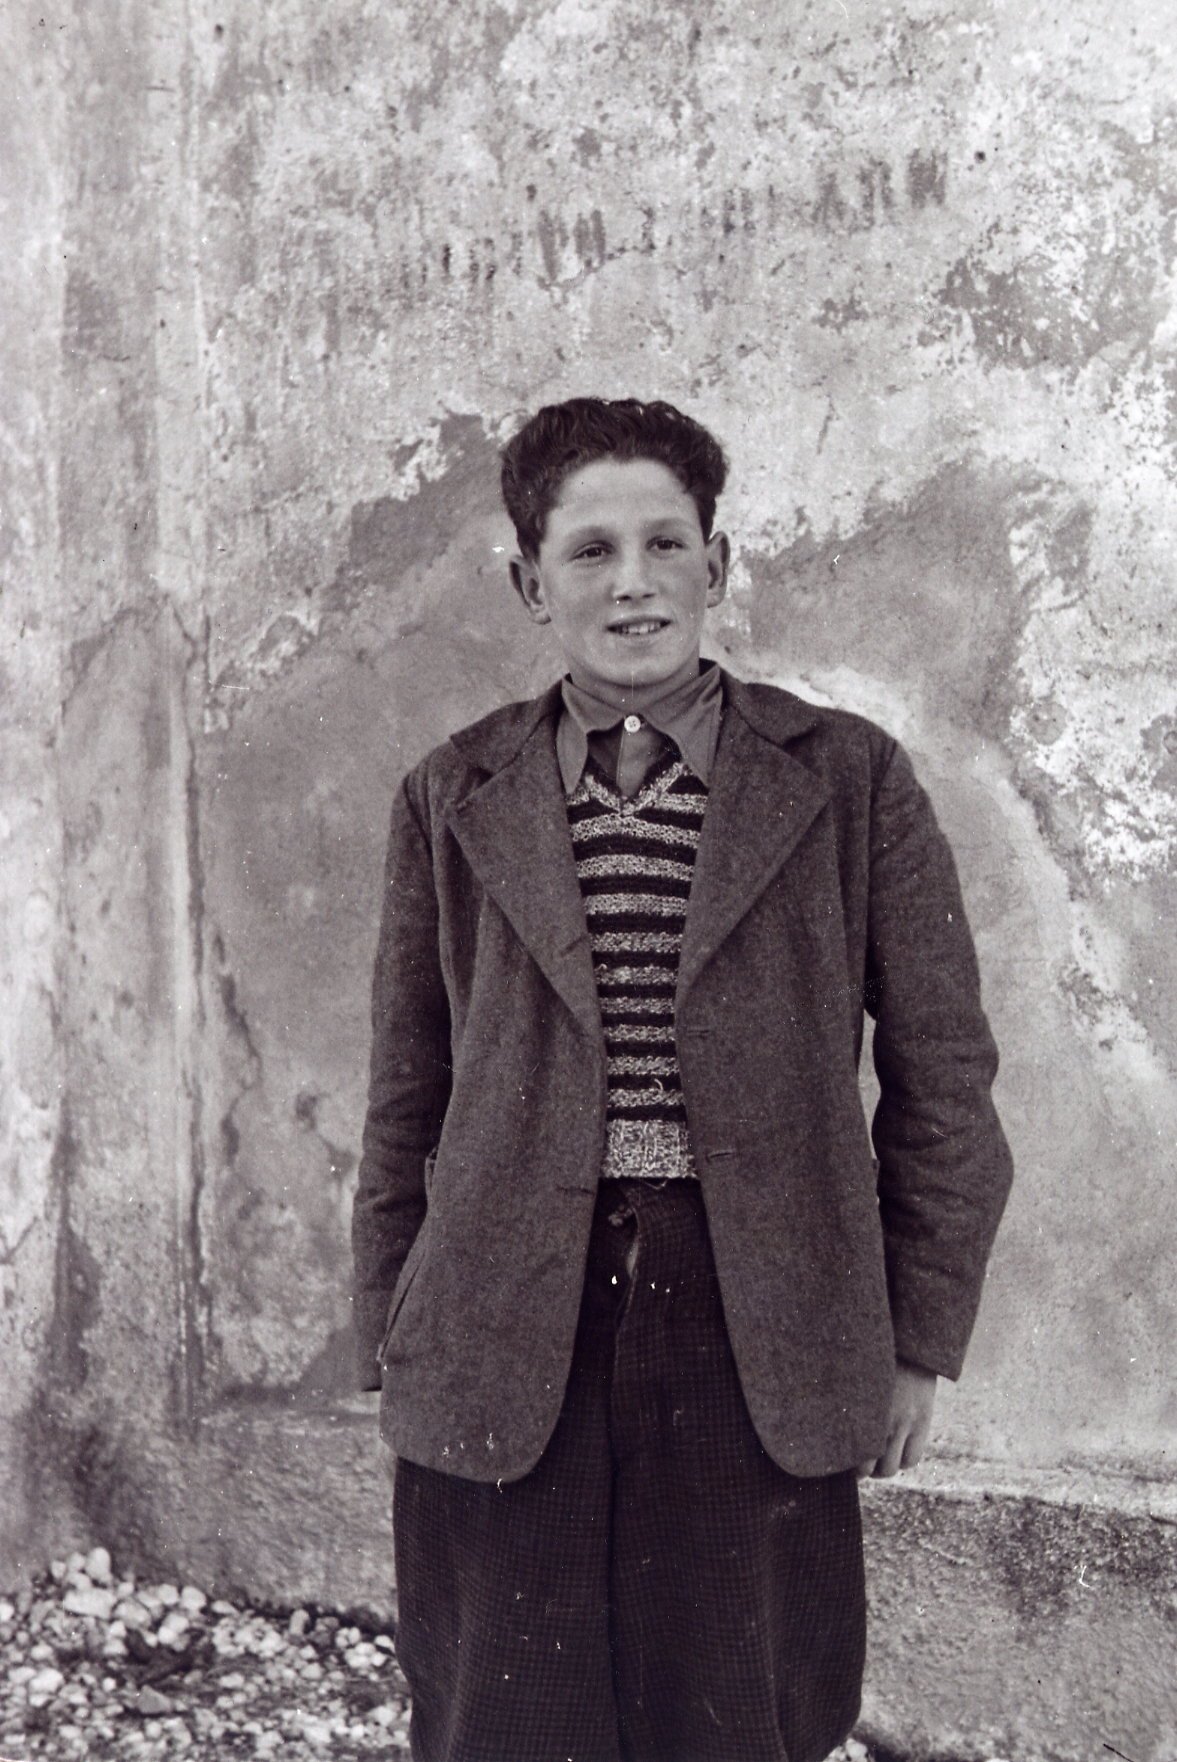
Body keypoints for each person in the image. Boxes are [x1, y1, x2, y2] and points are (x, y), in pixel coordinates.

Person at [352, 396, 1013, 1762]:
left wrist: (913, 1339)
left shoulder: (845, 781)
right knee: (506, 1712)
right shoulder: (452, 792)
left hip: (753, 1317)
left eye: (666, 543)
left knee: (735, 1704)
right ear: (529, 583)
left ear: (717, 565)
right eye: (589, 551)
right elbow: (405, 1093)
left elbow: (944, 1078)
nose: (633, 583)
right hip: (500, 1316)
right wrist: (392, 1336)